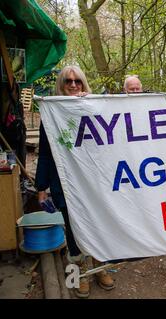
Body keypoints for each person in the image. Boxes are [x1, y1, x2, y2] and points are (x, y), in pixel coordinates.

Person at [35, 65, 115, 298]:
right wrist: (41, 187)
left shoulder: (92, 109)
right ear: (61, 84)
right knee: (73, 228)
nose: (73, 85)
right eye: (68, 81)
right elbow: (46, 153)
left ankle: (100, 266)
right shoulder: (51, 115)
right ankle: (80, 272)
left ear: (83, 84)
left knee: (99, 223)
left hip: (93, 180)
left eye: (77, 81)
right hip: (65, 183)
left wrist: (88, 105)